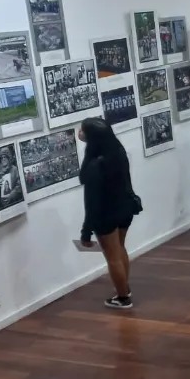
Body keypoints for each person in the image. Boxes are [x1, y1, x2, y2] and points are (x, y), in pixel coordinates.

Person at [79, 117, 140, 310]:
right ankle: (125, 288)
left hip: (106, 214)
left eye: (83, 130)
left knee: (112, 257)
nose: (79, 133)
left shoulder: (94, 165)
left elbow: (91, 202)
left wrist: (86, 231)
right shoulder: (118, 151)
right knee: (120, 248)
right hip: (125, 208)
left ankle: (123, 297)